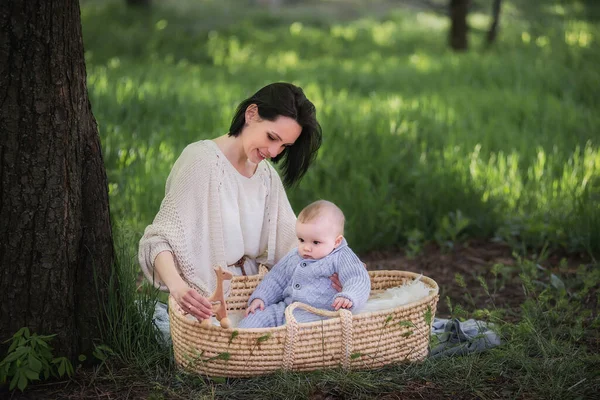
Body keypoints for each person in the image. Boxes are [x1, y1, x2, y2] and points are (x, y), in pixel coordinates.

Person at [138, 82, 330, 323]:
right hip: (206, 304)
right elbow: (158, 241)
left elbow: (291, 243)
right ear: (251, 114)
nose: (274, 151)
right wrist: (178, 288)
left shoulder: (266, 176)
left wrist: (333, 264)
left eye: (284, 146)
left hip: (253, 301)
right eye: (272, 137)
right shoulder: (201, 161)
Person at [238, 200, 371, 328]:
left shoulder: (341, 256)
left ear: (336, 242)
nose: (306, 248)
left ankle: (277, 343)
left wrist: (348, 296)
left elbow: (357, 278)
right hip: (286, 308)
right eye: (301, 240)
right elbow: (276, 278)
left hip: (319, 314)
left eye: (315, 242)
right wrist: (261, 298)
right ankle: (242, 340)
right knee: (254, 318)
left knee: (295, 330)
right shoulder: (295, 255)